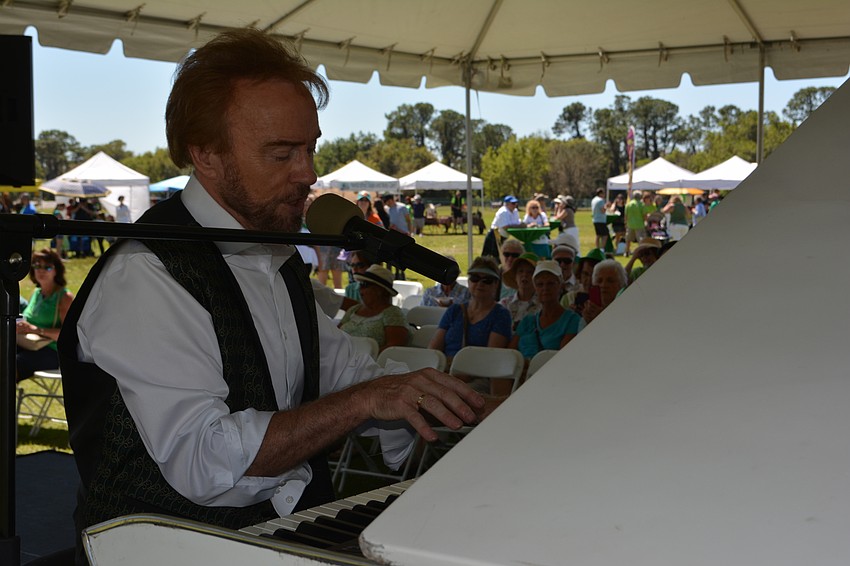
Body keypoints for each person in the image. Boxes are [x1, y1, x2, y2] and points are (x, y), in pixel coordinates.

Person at [59, 29, 487, 554]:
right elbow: (205, 458)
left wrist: (455, 402)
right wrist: (364, 402)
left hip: (264, 539)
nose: (308, 174)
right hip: (166, 552)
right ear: (206, 155)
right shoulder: (147, 274)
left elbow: (350, 373)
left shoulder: (274, 257)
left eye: (309, 149)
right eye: (281, 153)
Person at [429, 256, 511, 363]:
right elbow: (433, 350)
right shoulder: (454, 310)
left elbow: (490, 359)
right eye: (475, 278)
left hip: (477, 374)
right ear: (468, 282)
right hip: (445, 370)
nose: (480, 283)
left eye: (487, 280)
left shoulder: (501, 315)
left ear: (496, 284)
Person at [16, 249, 74, 381]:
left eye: (47, 267)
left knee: (9, 364)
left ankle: (5, 400)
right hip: (27, 344)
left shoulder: (64, 297)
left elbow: (69, 337)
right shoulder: (36, 293)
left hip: (52, 352)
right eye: (37, 266)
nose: (41, 270)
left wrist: (37, 330)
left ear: (56, 271)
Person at [510, 260, 584, 359]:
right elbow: (510, 354)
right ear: (535, 288)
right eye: (540, 284)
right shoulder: (527, 321)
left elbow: (562, 359)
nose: (545, 288)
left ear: (560, 286)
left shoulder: (572, 320)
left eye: (550, 283)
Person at [338, 264, 410, 351]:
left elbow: (393, 348)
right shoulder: (354, 309)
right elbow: (335, 334)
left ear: (379, 290)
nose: (360, 289)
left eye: (364, 284)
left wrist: (361, 358)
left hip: (370, 362)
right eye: (360, 284)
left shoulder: (393, 314)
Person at [580, 259, 629, 325]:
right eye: (599, 281)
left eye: (610, 281)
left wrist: (602, 318)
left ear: (621, 284)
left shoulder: (627, 310)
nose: (603, 285)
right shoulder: (588, 314)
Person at [500, 252, 540, 330]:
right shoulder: (504, 304)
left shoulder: (543, 305)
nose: (524, 275)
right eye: (520, 271)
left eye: (530, 272)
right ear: (515, 276)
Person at [483, 195, 523, 259]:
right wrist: (519, 226)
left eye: (516, 203)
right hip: (494, 235)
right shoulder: (503, 212)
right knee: (489, 256)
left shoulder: (515, 211)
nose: (515, 205)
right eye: (513, 203)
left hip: (504, 236)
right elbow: (506, 227)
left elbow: (517, 223)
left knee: (501, 257)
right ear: (507, 204)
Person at [624, 190, 646, 256]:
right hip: (639, 224)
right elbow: (644, 215)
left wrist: (626, 223)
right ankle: (641, 252)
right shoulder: (642, 204)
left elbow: (626, 215)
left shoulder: (628, 204)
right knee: (641, 240)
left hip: (630, 224)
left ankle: (627, 252)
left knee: (628, 240)